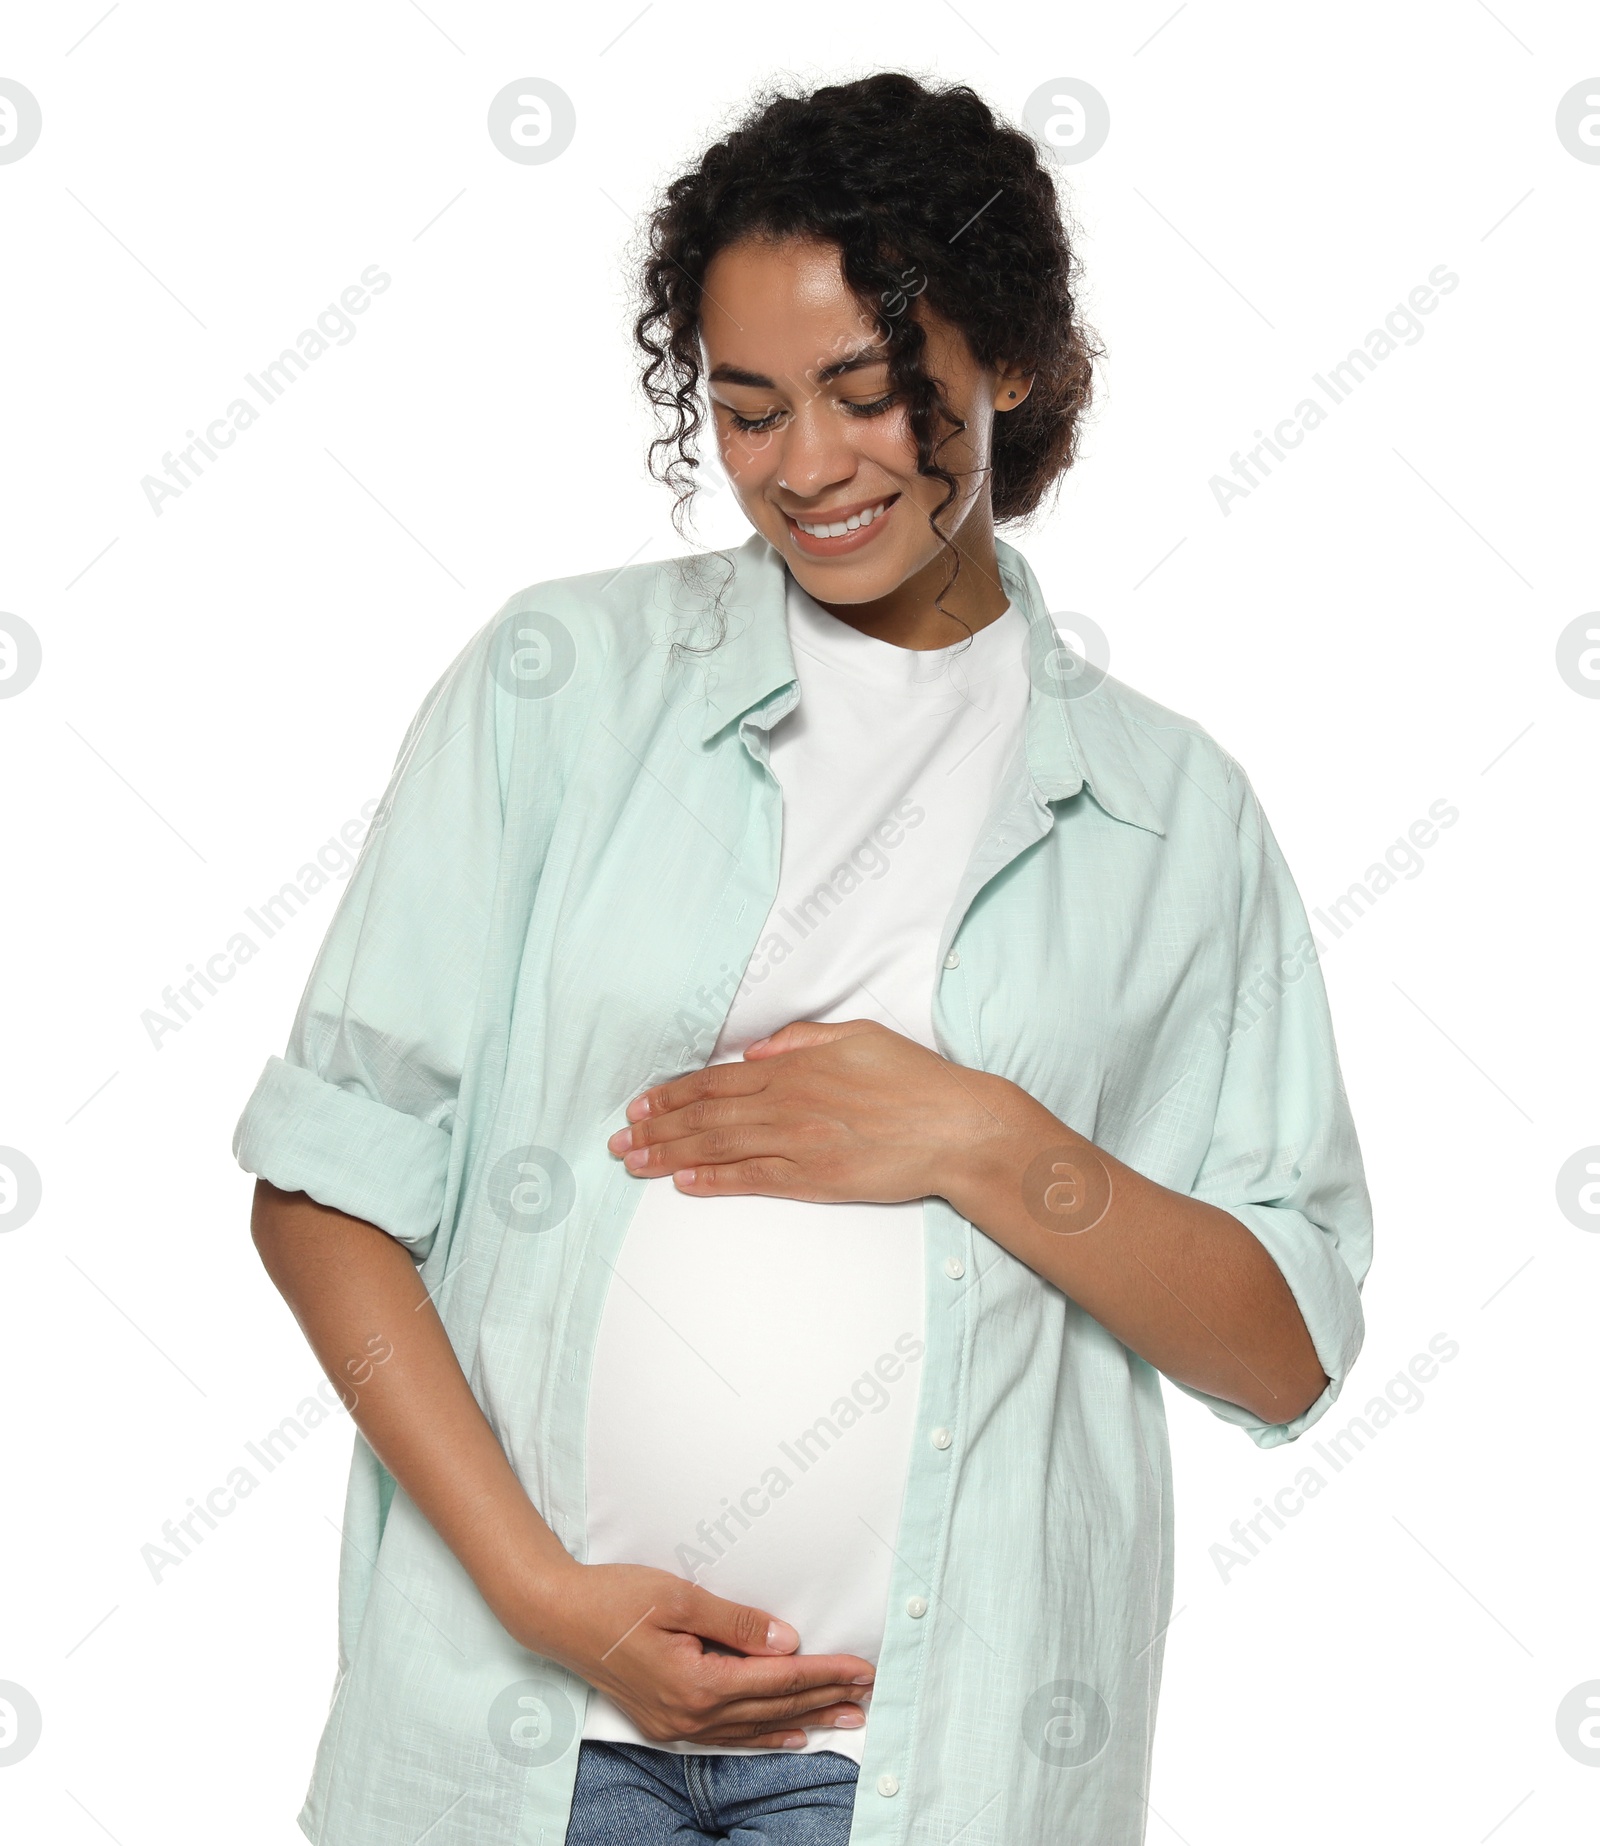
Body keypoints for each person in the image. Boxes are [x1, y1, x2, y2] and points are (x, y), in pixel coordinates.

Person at [236, 71, 1372, 1846]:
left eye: (868, 394)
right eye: (748, 408)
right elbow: (324, 1191)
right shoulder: (558, 690)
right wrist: (547, 1595)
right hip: (526, 1738)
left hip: (937, 1772)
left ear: (1008, 363)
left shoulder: (1174, 812)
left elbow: (1283, 1350)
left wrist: (986, 1142)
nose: (808, 466)